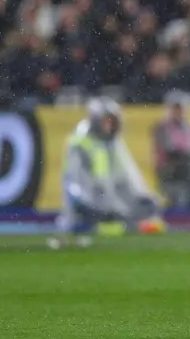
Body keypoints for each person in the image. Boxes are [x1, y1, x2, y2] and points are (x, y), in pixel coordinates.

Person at [48, 96, 166, 250]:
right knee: (94, 217)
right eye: (106, 121)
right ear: (97, 120)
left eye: (112, 121)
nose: (109, 126)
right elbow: (76, 182)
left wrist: (142, 196)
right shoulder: (80, 141)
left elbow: (128, 174)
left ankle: (116, 225)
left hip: (109, 198)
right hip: (88, 201)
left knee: (146, 205)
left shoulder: (112, 141)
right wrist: (100, 205)